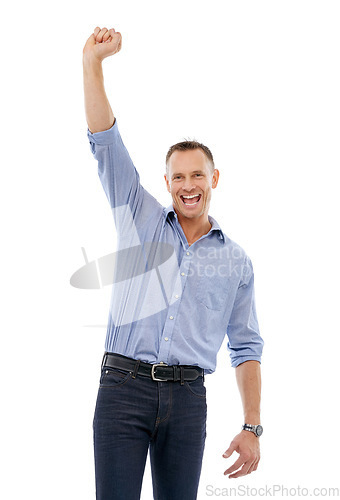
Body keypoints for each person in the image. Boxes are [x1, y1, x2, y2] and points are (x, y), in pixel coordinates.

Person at [83, 26, 264, 500]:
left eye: (198, 175)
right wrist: (93, 64)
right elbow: (105, 139)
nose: (189, 185)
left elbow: (245, 346)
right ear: (166, 182)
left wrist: (253, 426)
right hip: (122, 388)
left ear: (214, 178)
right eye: (178, 176)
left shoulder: (237, 261)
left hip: (188, 399)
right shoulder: (137, 214)